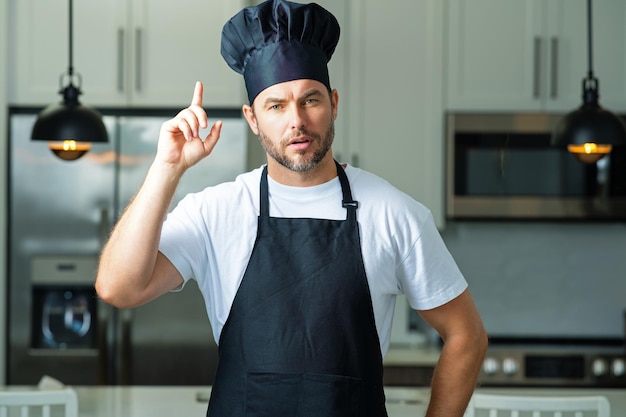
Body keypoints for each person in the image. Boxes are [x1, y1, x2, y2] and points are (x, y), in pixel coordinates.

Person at [95, 0, 488, 415]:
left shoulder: (393, 213)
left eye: (310, 100)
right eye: (276, 106)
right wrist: (167, 168)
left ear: (334, 103)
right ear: (252, 118)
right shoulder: (218, 211)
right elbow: (118, 288)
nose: (296, 120)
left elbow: (467, 336)